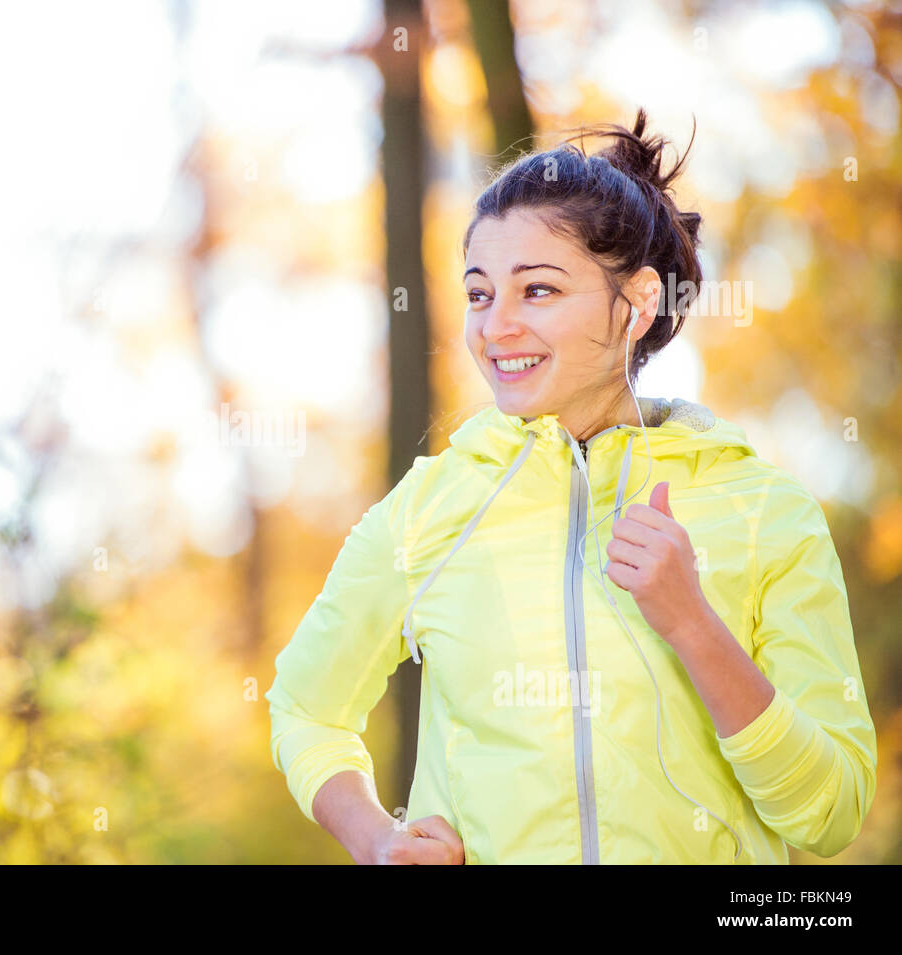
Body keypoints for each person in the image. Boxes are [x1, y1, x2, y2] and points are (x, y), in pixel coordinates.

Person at [264, 108, 877, 864]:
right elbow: (303, 708)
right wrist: (377, 838)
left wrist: (691, 621)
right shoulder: (429, 509)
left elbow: (832, 811)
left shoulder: (762, 511)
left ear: (639, 302)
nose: (495, 328)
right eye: (481, 294)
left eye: (540, 291)